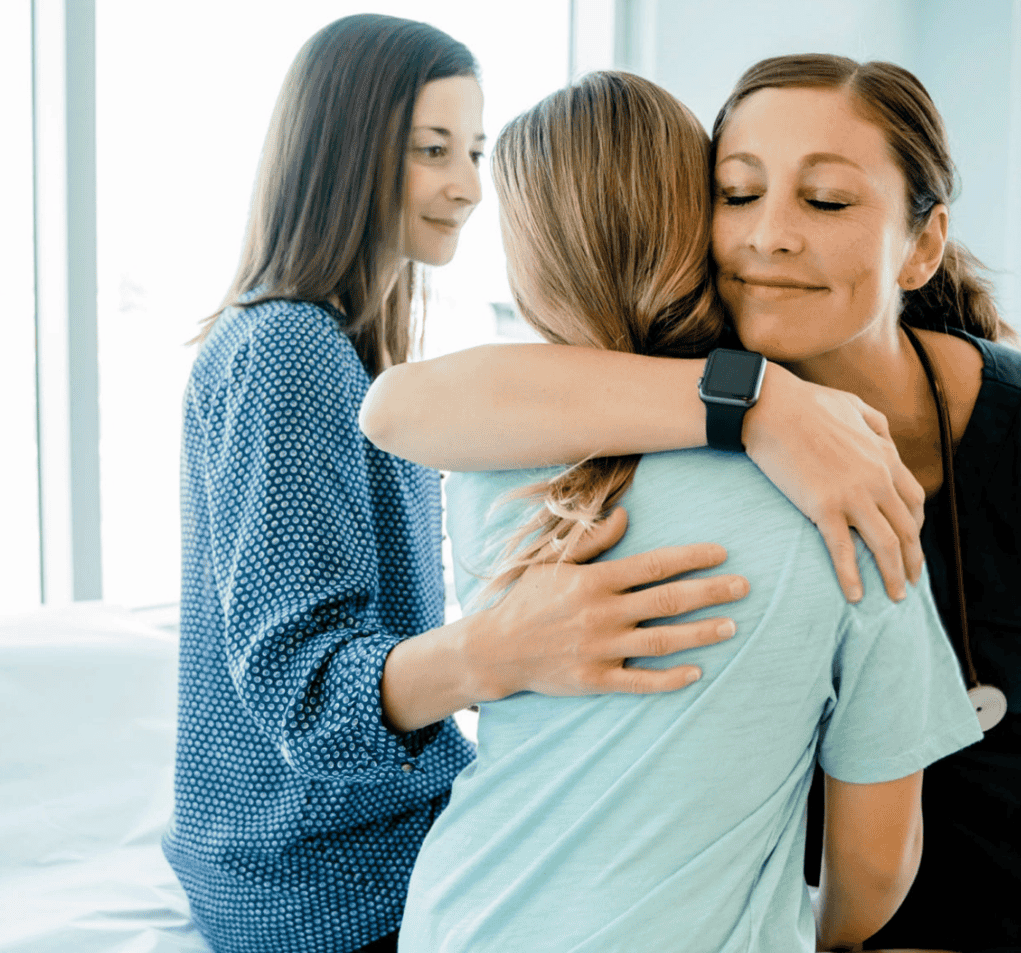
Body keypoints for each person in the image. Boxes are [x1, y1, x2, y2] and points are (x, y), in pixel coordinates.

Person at [364, 54, 1021, 953]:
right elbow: (400, 408)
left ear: (924, 245)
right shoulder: (658, 415)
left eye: (826, 202)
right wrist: (760, 406)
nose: (769, 236)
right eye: (738, 194)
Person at [166, 18, 928, 953]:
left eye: (476, 153)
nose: (465, 187)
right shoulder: (295, 350)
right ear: (341, 150)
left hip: (408, 868)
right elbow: (311, 695)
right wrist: (499, 651)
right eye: (431, 150)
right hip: (327, 884)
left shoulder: (487, 425)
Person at [395, 69, 983, 953]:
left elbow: (401, 406)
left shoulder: (492, 461)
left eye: (821, 200)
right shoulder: (851, 496)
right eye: (741, 193)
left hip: (463, 919)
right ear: (699, 224)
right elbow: (877, 860)